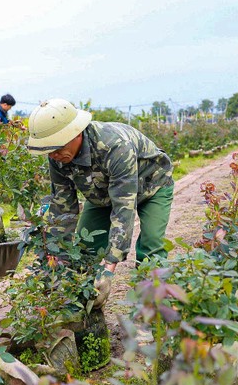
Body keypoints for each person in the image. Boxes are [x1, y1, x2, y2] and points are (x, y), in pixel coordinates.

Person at [26, 98, 174, 300]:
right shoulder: (58, 158)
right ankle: (88, 315)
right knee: (85, 249)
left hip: (152, 186)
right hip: (102, 195)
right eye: (49, 150)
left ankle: (150, 315)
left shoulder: (115, 146)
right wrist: (56, 256)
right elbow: (63, 208)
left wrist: (109, 268)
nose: (54, 155)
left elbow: (123, 208)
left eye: (58, 148)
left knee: (151, 248)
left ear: (76, 133)